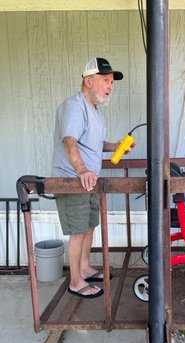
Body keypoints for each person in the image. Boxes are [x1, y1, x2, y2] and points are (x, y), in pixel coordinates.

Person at [52, 57, 126, 299]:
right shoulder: (74, 106)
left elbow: (92, 142)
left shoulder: (95, 110)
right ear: (88, 80)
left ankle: (84, 268)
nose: (110, 86)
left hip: (89, 180)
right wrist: (82, 170)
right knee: (78, 230)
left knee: (89, 226)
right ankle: (75, 280)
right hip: (73, 180)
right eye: (105, 80)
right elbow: (70, 140)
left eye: (111, 82)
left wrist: (115, 145)